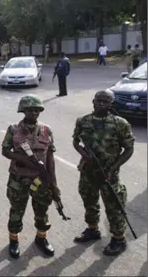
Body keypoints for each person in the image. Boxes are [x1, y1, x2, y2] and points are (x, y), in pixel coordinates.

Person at [72, 90, 135, 256]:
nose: (101, 103)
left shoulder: (120, 123)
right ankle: (92, 229)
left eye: (106, 101)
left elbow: (129, 149)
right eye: (99, 100)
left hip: (109, 174)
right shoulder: (83, 121)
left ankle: (118, 239)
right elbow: (75, 141)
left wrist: (114, 167)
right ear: (93, 101)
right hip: (87, 171)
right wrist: (84, 155)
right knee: (89, 201)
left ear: (111, 104)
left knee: (114, 206)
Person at [1, 95, 61, 259]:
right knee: (16, 211)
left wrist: (53, 183)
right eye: (30, 110)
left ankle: (41, 238)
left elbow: (50, 158)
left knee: (42, 210)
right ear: (23, 111)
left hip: (39, 180)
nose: (34, 112)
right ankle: (14, 241)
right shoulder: (13, 129)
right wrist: (23, 159)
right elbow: (5, 151)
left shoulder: (46, 130)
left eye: (37, 109)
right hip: (18, 178)